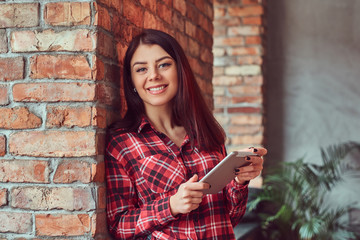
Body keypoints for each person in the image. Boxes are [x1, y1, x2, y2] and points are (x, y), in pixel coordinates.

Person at [105, 29, 267, 240]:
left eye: (164, 64)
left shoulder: (205, 132)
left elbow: (230, 217)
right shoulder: (122, 142)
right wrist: (171, 205)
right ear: (132, 81)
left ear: (179, 70)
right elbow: (118, 225)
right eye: (141, 69)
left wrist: (239, 181)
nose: (153, 75)